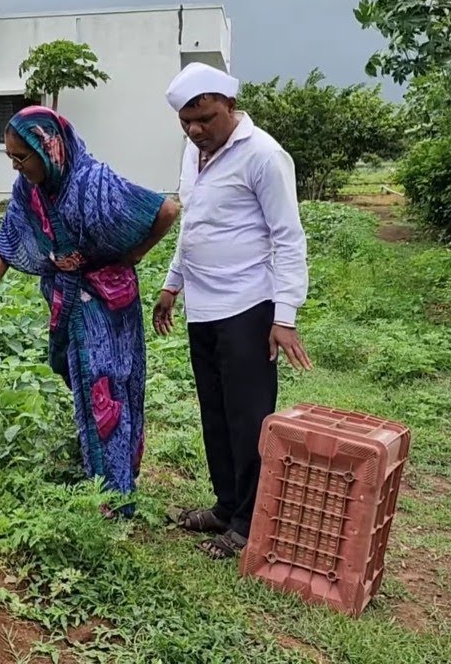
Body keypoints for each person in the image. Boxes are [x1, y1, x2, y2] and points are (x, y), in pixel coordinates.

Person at [0, 106, 180, 516]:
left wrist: (133, 253)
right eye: (10, 157)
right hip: (67, 300)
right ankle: (106, 475)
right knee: (86, 385)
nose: (16, 166)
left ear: (50, 148)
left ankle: (115, 498)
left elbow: (166, 210)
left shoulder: (94, 183)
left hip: (108, 304)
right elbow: (7, 239)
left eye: (21, 157)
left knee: (106, 387)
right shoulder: (28, 190)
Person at [154, 63, 313, 559]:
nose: (196, 130)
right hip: (202, 308)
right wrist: (173, 283)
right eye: (186, 122)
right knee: (216, 413)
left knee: (248, 419)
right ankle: (226, 506)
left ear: (229, 105)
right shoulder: (194, 153)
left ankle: (248, 522)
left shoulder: (263, 155)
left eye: (205, 118)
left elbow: (288, 238)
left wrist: (284, 316)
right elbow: (194, 224)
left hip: (247, 306)